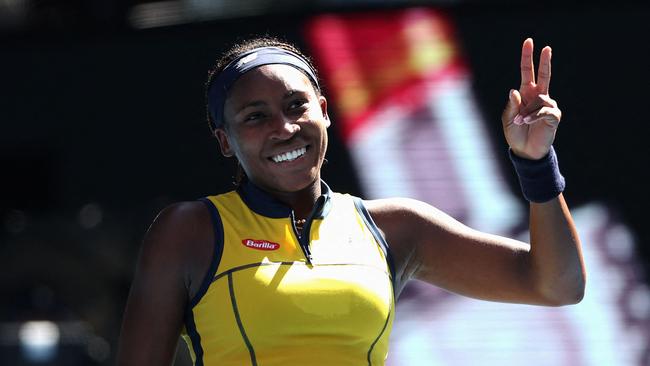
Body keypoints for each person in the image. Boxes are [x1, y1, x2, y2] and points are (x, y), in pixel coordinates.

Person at [117, 36, 586, 365]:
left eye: (296, 105)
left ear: (323, 111)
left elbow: (557, 285)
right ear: (225, 141)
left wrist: (535, 162)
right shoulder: (190, 231)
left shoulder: (395, 228)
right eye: (255, 116)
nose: (284, 128)